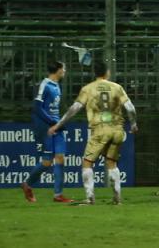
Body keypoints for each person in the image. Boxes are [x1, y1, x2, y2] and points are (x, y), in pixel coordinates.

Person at [48, 61, 137, 205]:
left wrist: (58, 125)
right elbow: (131, 108)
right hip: (117, 130)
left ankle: (90, 198)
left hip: (100, 130)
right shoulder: (117, 87)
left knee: (87, 163)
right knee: (111, 163)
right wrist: (133, 124)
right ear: (107, 72)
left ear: (94, 73)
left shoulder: (88, 89)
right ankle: (117, 198)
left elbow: (74, 109)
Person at [21, 60, 71, 203]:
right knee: (47, 162)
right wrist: (52, 122)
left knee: (60, 157)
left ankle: (58, 195)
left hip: (56, 125)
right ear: (59, 70)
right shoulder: (44, 85)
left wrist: (58, 122)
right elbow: (37, 108)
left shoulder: (57, 86)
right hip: (45, 127)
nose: (65, 71)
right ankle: (27, 184)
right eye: (64, 68)